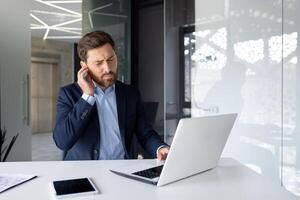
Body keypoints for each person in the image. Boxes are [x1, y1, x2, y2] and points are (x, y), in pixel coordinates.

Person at [53, 31, 169, 161]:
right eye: (99, 63)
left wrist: (160, 148)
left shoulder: (130, 94)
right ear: (84, 65)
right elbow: (62, 141)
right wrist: (87, 97)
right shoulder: (69, 94)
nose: (107, 68)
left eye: (110, 59)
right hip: (84, 173)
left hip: (123, 170)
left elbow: (145, 133)